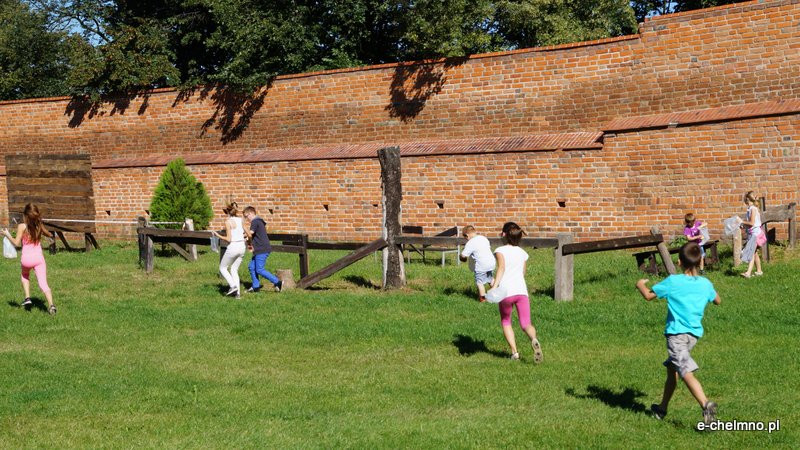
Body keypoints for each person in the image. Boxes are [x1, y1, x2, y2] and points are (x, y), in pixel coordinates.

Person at [636, 242, 721, 426]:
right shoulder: (705, 284)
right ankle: (662, 408)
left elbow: (649, 295)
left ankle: (706, 405)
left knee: (685, 371)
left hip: (677, 336)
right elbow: (717, 300)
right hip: (693, 336)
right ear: (700, 261)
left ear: (679, 262)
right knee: (672, 370)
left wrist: (640, 284)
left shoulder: (673, 281)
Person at [490, 222, 542, 363]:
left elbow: (501, 268)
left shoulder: (500, 250)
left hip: (506, 292)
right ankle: (534, 339)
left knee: (506, 321)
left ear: (503, 234)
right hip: (521, 291)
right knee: (526, 323)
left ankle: (515, 353)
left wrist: (494, 286)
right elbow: (523, 272)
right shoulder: (522, 253)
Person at [2, 203, 57, 315]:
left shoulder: (22, 226)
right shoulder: (39, 225)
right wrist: (49, 237)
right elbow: (49, 234)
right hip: (39, 259)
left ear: (26, 216)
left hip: (26, 259)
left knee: (25, 275)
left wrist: (7, 234)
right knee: (43, 283)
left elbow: (16, 243)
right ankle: (51, 305)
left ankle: (27, 298)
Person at [242, 206, 282, 293]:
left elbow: (250, 233)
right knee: (251, 267)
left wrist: (241, 232)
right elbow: (252, 236)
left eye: (246, 216)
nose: (246, 219)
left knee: (259, 269)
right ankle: (256, 286)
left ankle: (277, 282)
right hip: (259, 249)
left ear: (251, 213)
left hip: (262, 249)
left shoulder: (255, 221)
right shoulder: (258, 221)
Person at [212, 202, 246, 299]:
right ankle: (237, 294)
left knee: (222, 268)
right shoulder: (240, 220)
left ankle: (233, 286)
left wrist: (217, 235)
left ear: (227, 212)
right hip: (242, 247)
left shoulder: (228, 222)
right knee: (234, 269)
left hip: (233, 247)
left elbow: (228, 239)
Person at [459, 225, 496, 302]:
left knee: (480, 282)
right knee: (490, 279)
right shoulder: (483, 238)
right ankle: (497, 295)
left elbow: (463, 255)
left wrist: (462, 257)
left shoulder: (470, 243)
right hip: (491, 262)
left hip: (481, 265)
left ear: (467, 235)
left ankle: (483, 299)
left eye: (465, 238)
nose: (466, 239)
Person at [738, 191, 765, 278]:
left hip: (755, 234)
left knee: (751, 252)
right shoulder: (750, 209)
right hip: (752, 233)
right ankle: (759, 271)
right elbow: (750, 224)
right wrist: (743, 225)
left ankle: (748, 273)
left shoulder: (753, 209)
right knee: (755, 253)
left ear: (747, 199)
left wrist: (742, 221)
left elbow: (752, 223)